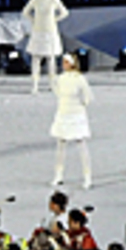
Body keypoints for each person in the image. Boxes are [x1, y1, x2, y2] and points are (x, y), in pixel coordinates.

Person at [50, 53, 93, 189]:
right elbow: (57, 92)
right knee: (60, 146)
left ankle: (87, 177)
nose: (64, 65)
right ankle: (59, 175)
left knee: (81, 145)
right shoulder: (61, 79)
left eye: (66, 62)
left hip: (76, 115)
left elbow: (88, 96)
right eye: (63, 63)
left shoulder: (79, 79)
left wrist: (80, 106)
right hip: (63, 113)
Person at [22, 0, 69, 95]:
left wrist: (54, 20)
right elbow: (25, 12)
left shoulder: (54, 0)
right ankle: (35, 85)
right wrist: (34, 20)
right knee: (36, 59)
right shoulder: (35, 0)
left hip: (50, 32)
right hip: (38, 31)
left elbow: (64, 12)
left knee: (51, 59)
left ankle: (52, 84)